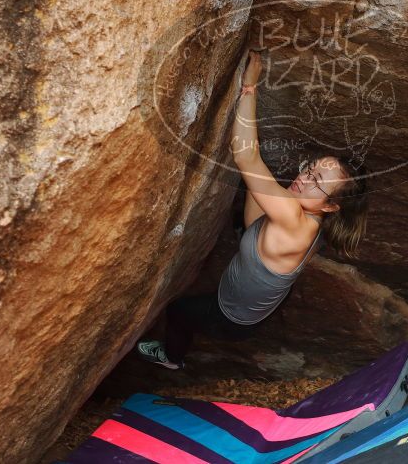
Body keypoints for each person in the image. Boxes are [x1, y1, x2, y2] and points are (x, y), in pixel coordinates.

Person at [137, 50, 370, 369]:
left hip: (231, 317)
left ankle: (172, 358)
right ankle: (249, 243)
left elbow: (246, 158)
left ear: (331, 205)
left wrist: (249, 87)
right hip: (264, 298)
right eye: (310, 169)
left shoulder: (293, 220)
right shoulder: (316, 222)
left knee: (178, 313)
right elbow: (258, 182)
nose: (303, 179)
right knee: (251, 198)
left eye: (317, 182)